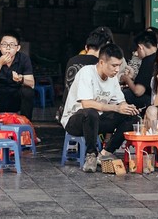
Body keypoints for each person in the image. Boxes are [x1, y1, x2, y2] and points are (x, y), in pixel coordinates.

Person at [60, 44, 140, 173]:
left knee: (131, 117)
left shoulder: (112, 78)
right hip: (76, 121)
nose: (117, 69)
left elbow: (120, 101)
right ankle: (91, 155)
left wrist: (127, 107)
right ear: (102, 62)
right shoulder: (87, 72)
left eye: (119, 65)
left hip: (97, 121)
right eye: (114, 65)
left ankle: (105, 153)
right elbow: (86, 104)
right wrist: (115, 108)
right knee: (90, 113)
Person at [57, 30, 111, 122]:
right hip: (88, 113)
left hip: (66, 111)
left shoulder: (71, 60)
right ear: (103, 49)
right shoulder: (100, 64)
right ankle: (107, 137)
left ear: (86, 47)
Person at [0, 31, 35, 120]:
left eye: (12, 45)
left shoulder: (24, 59)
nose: (8, 48)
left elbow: (32, 84)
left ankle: (26, 123)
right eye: (4, 45)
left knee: (28, 91)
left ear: (18, 48)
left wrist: (21, 79)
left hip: (15, 97)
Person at [120, 30, 158, 109]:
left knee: (124, 94)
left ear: (141, 47)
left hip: (151, 100)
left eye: (137, 49)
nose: (137, 53)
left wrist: (126, 78)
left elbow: (138, 91)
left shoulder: (148, 60)